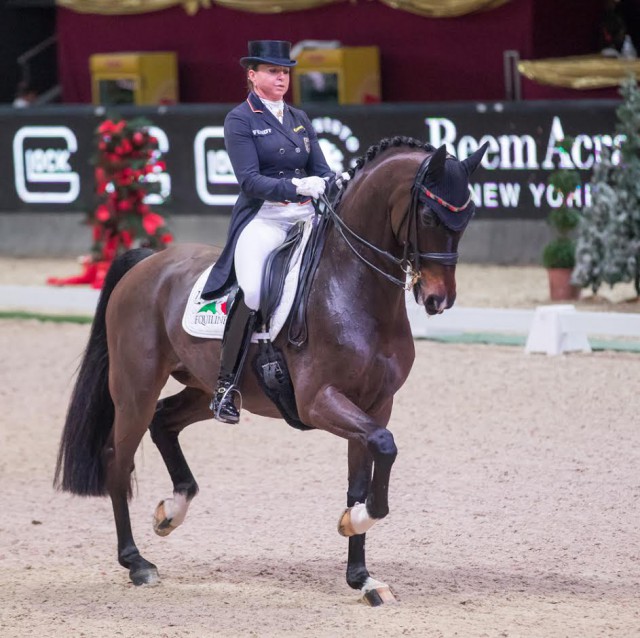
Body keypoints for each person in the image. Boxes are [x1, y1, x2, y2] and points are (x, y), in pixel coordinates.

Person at [201, 40, 334, 424]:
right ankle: (225, 385)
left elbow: (319, 167)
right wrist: (296, 187)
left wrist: (333, 180)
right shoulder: (241, 119)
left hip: (307, 217)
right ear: (252, 75)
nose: (281, 78)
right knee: (255, 290)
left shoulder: (298, 116)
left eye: (285, 72)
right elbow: (250, 181)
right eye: (273, 71)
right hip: (266, 218)